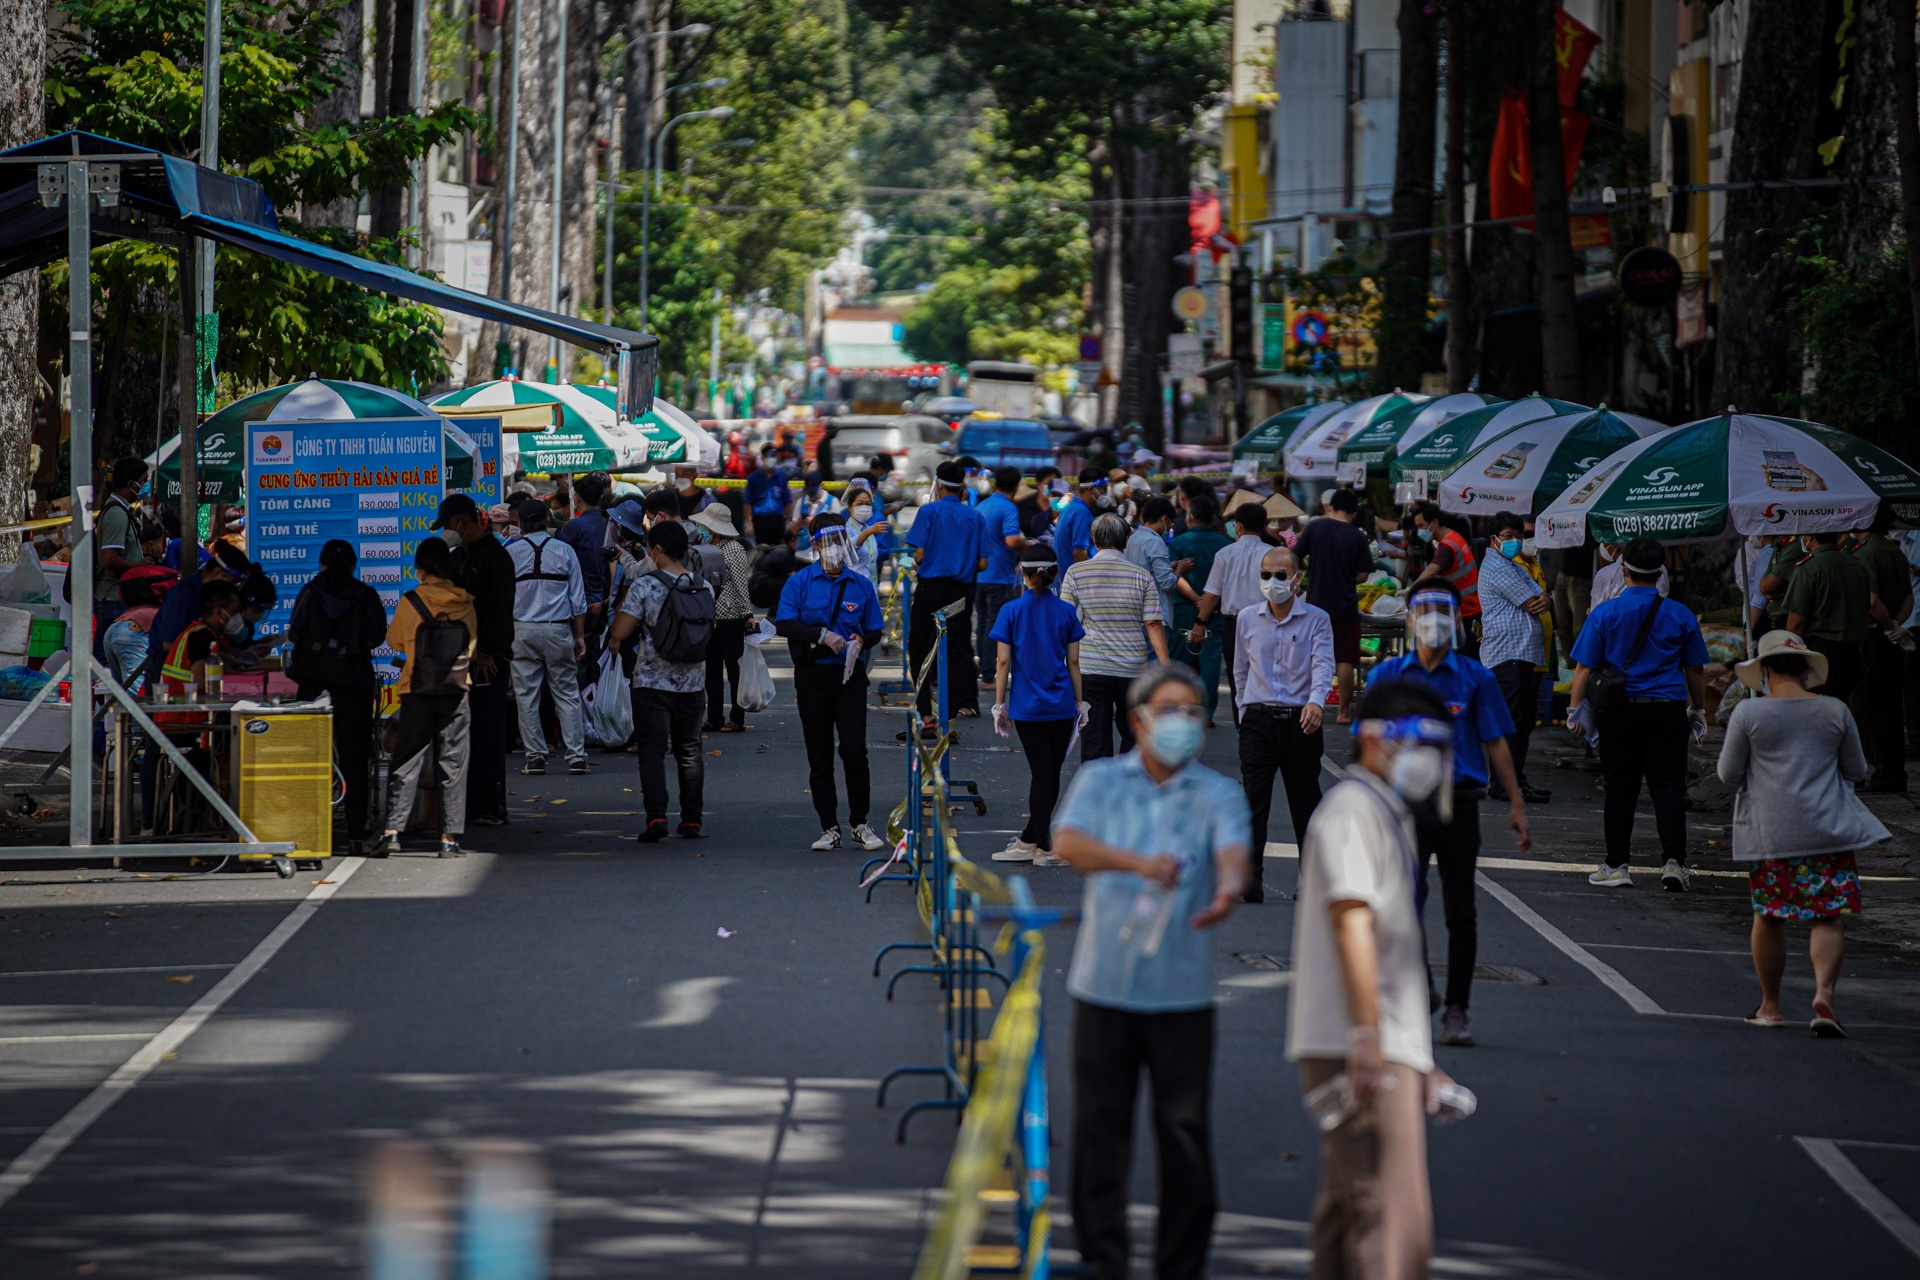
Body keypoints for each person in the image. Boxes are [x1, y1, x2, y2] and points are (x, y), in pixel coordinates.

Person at [1053, 664, 1251, 1280]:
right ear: (1137, 721)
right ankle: (1102, 1255)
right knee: (1100, 1130)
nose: (1183, 722)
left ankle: (1181, 1263)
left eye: (1193, 711)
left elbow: (1233, 853)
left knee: (1184, 1133)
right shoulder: (1099, 779)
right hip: (1103, 985)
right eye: (1170, 710)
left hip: (1182, 994)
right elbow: (1068, 843)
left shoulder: (1218, 792)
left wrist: (1228, 890)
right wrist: (1138, 863)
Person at [1289, 680, 1465, 1280]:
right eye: (1415, 742)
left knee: (1350, 1207)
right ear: (1369, 739)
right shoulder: (1353, 811)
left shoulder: (1390, 815)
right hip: (1358, 1042)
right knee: (1387, 1218)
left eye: (1439, 747)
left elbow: (1392, 950)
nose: (1428, 760)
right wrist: (1368, 1035)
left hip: (1383, 1043)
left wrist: (1418, 1056)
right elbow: (1353, 922)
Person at [1368, 581, 1531, 1047]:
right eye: (1425, 610)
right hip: (1404, 806)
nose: (1434, 618)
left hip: (1459, 802)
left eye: (1444, 610)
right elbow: (1368, 744)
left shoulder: (1475, 677)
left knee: (1461, 910)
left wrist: (1517, 804)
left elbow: (1496, 740)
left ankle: (1458, 1010)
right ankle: (1420, 985)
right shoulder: (1388, 677)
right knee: (1402, 903)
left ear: (1457, 620)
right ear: (1410, 619)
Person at [1718, 630, 1887, 1038]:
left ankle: (1771, 1006)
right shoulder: (1835, 711)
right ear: (1806, 670)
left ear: (1765, 672)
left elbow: (1727, 773)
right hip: (1828, 831)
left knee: (1769, 916)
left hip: (1771, 833)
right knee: (1826, 916)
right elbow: (1857, 771)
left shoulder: (1749, 715)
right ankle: (1824, 995)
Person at [1568, 537, 1710, 892]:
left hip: (1619, 712)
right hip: (1667, 711)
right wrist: (1698, 709)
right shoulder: (1680, 614)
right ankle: (1674, 863)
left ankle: (1616, 865)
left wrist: (1574, 711)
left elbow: (1583, 669)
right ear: (1661, 571)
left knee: (1620, 789)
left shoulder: (1605, 612)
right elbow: (1695, 670)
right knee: (1669, 788)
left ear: (1624, 570)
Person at [774, 515, 886, 852]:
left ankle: (860, 823)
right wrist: (822, 635)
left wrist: (860, 641)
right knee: (819, 753)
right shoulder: (801, 581)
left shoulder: (861, 584)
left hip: (850, 677)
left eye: (839, 539)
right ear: (815, 543)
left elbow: (875, 629)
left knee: (854, 750)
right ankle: (829, 826)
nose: (834, 547)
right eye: (827, 541)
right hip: (813, 677)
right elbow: (785, 624)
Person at [1232, 543, 1335, 905]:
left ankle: (1310, 878)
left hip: (1301, 723)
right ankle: (1250, 877)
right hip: (1258, 721)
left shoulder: (1317, 619)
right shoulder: (1246, 618)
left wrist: (1316, 703)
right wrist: (1244, 714)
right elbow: (1240, 670)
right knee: (1253, 801)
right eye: (1265, 575)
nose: (1272, 581)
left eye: (1280, 575)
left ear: (1296, 579)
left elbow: (1323, 665)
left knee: (1305, 802)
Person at [606, 520, 714, 841]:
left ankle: (656, 818)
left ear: (657, 550)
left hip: (652, 682)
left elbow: (620, 631)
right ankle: (692, 819)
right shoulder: (703, 587)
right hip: (693, 683)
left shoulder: (646, 585)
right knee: (689, 751)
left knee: (652, 751)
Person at [376, 538, 478, 858]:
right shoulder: (465, 602)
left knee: (406, 760)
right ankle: (448, 839)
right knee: (452, 764)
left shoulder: (411, 601)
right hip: (455, 692)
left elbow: (393, 641)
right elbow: (471, 648)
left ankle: (392, 832)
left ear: (420, 569)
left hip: (416, 690)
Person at [989, 544, 1085, 867]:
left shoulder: (1011, 611)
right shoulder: (1066, 611)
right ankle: (1037, 841)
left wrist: (999, 704)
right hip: (1061, 705)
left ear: (1023, 572)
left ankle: (1037, 843)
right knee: (1050, 773)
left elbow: (1003, 663)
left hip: (1026, 707)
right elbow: (1073, 661)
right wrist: (1079, 701)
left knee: (1042, 773)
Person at [1061, 514, 1170, 761]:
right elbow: (1153, 623)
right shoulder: (1142, 576)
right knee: (1134, 732)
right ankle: (1129, 784)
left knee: (1094, 735)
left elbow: (1065, 621)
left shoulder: (1076, 572)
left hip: (1091, 667)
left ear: (1094, 539)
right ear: (1126, 541)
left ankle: (1097, 790)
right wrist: (1165, 667)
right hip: (1132, 668)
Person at [436, 496, 516, 825]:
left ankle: (490, 806)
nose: (446, 532)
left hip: (487, 659)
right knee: (463, 734)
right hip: (460, 658)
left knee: (487, 732)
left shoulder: (495, 557)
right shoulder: (459, 557)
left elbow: (497, 609)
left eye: (447, 525)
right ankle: (465, 804)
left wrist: (485, 651)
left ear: (462, 522)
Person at [507, 499, 590, 775]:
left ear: (520, 523)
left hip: (522, 630)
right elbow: (578, 601)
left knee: (526, 695)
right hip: (558, 629)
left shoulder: (511, 552)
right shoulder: (565, 550)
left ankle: (535, 757)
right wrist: (579, 636)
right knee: (566, 693)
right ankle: (576, 756)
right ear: (546, 521)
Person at [1477, 510, 1554, 804]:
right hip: (1507, 655)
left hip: (1521, 655)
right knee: (1511, 724)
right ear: (1494, 539)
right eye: (1508, 537)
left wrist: (1548, 599)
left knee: (1520, 724)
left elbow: (1544, 596)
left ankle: (1513, 781)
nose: (1515, 542)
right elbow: (1533, 601)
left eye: (1519, 537)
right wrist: (1543, 600)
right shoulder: (1496, 567)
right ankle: (1506, 784)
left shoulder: (1514, 566)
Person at [906, 461, 990, 728]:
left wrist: (927, 560)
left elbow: (918, 554)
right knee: (956, 648)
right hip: (960, 592)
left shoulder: (929, 511)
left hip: (931, 589)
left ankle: (926, 714)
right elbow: (983, 564)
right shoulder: (974, 516)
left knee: (919, 646)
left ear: (938, 484)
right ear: (962, 487)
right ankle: (953, 713)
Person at [1291, 488, 1372, 722]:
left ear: (1331, 507)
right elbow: (1364, 575)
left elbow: (1295, 557)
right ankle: (1344, 713)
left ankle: (1304, 704)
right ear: (1354, 513)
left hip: (1316, 604)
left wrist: (1311, 568)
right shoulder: (1358, 536)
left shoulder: (1315, 527)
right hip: (1345, 606)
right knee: (1345, 658)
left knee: (1309, 654)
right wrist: (1347, 577)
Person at [1851, 512, 1914, 792]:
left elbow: (1872, 601)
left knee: (1869, 706)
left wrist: (1886, 625)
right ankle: (1894, 772)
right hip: (1892, 637)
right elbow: (1908, 596)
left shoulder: (1866, 554)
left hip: (1873, 636)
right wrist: (1897, 626)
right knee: (1890, 706)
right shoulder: (1894, 551)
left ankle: (1884, 773)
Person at [1190, 502, 1274, 710]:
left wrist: (1200, 622)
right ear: (1263, 526)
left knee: (1238, 677)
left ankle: (1241, 725)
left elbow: (1211, 595)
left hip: (1234, 625)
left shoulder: (1225, 554)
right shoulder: (1272, 554)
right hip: (1267, 623)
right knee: (1266, 674)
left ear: (1238, 526)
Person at [1783, 528, 1870, 704]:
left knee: (1819, 710)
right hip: (1852, 652)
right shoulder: (1857, 564)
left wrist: (1789, 655)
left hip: (1819, 655)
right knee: (1843, 706)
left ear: (1809, 537)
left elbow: (1796, 623)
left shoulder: (1808, 568)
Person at [692, 505, 755, 732]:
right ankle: (715, 716)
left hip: (731, 616)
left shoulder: (734, 549)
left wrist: (747, 613)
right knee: (712, 670)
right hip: (709, 617)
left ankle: (737, 717)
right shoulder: (704, 548)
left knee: (734, 669)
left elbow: (740, 583)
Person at [1170, 494, 1231, 726]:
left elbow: (1174, 578)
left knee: (1180, 662)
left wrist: (1196, 599)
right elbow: (1228, 582)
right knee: (1211, 662)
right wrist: (1208, 602)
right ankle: (1205, 713)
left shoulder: (1178, 543)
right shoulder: (1225, 545)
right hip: (1216, 612)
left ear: (1190, 517)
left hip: (1185, 610)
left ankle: (1178, 708)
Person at [973, 466, 1028, 677]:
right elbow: (1012, 540)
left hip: (979, 573)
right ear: (1017, 485)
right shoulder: (1008, 508)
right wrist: (1030, 546)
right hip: (999, 576)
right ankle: (988, 672)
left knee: (983, 622)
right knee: (994, 624)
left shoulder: (981, 506)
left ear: (995, 484)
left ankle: (985, 669)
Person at [92, 456, 150, 653]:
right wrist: (139, 567)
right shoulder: (117, 514)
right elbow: (109, 559)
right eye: (143, 481)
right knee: (106, 660)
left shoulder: (123, 511)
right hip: (113, 598)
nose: (145, 486)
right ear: (130, 483)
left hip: (118, 597)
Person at [1410, 503, 1480, 651]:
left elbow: (1431, 570)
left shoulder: (1446, 547)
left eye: (1422, 525)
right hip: (1474, 608)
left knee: (1461, 659)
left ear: (1434, 523)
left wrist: (1412, 589)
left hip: (1464, 611)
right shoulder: (1455, 537)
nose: (1420, 530)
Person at [558, 472, 612, 658]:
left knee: (579, 655)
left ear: (576, 498)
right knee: (594, 654)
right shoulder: (609, 524)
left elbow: (562, 562)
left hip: (580, 600)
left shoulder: (575, 526)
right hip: (603, 600)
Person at [1126, 497, 1196, 633]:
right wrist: (1181, 569)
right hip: (1154, 616)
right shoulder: (1155, 542)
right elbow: (1167, 583)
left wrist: (1168, 566)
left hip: (1134, 613)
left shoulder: (1132, 539)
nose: (1170, 528)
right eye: (1171, 523)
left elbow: (1144, 568)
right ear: (1164, 519)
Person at [102, 565, 176, 692]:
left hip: (113, 630)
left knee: (123, 693)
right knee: (137, 698)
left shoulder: (137, 610)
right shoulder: (164, 610)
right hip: (133, 634)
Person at [1591, 539, 1669, 606]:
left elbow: (1595, 616)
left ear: (1625, 572)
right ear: (1660, 573)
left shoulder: (1606, 612)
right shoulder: (1677, 612)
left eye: (1606, 543)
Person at [746, 446, 794, 546]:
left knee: (778, 551)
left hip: (778, 520)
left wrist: (789, 522)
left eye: (773, 456)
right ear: (762, 458)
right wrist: (749, 523)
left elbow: (787, 501)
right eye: (768, 456)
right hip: (760, 520)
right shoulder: (753, 478)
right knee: (761, 550)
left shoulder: (782, 477)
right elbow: (748, 502)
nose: (771, 459)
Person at [1053, 470, 1099, 564]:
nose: (1106, 494)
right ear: (1091, 488)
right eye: (1104, 488)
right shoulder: (1082, 512)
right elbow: (1080, 552)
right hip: (1077, 576)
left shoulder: (1072, 507)